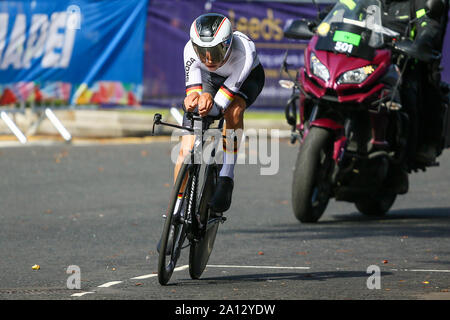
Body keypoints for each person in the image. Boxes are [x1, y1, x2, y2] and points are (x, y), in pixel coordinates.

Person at [177, 13, 265, 214]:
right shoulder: (189, 50)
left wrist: (206, 102)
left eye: (215, 52)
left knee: (233, 112)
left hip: (247, 78)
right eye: (202, 52)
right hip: (210, 80)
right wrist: (192, 101)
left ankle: (227, 176)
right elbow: (194, 92)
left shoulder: (244, 53)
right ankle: (177, 210)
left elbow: (218, 108)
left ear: (227, 44)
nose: (208, 59)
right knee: (185, 150)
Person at [381, 0, 449, 164]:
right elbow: (344, 9)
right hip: (368, 57)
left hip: (403, 60)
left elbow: (428, 23)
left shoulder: (417, 4)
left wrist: (424, 39)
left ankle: (403, 160)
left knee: (412, 92)